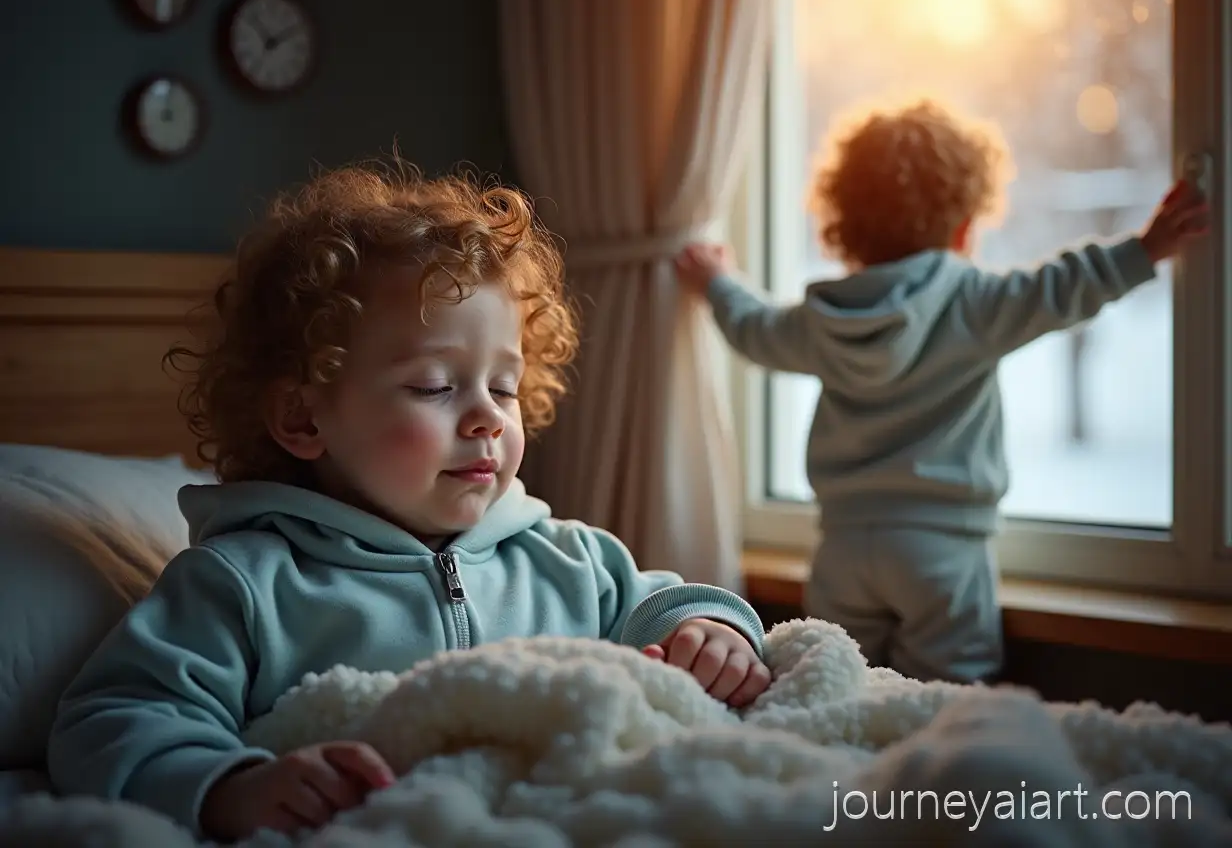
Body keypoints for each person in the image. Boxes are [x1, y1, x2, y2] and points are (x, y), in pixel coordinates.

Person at [47, 164, 771, 842]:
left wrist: (708, 630)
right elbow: (114, 719)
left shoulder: (570, 557)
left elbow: (667, 604)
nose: (489, 416)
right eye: (434, 386)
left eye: (506, 387)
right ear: (303, 419)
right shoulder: (245, 583)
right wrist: (232, 787)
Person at [675, 97, 1208, 686]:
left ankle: (836, 779)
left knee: (832, 688)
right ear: (963, 226)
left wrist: (716, 283)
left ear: (843, 225)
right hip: (943, 552)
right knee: (948, 705)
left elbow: (756, 331)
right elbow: (1060, 290)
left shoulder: (824, 316)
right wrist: (1146, 249)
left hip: (844, 549)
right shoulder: (972, 301)